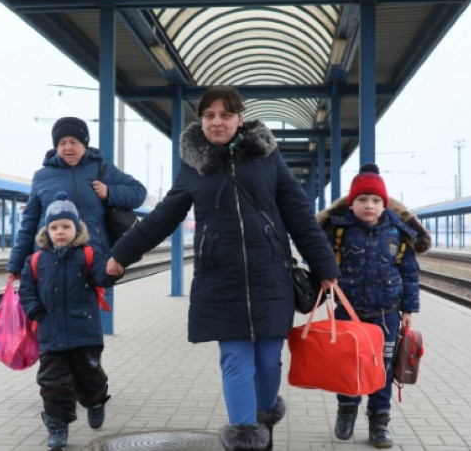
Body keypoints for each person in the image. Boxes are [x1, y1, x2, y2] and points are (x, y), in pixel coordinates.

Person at [106, 86, 340, 451]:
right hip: (221, 279)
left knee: (268, 360)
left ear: (239, 119)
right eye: (210, 115)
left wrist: (324, 265)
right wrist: (121, 253)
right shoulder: (193, 166)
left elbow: (298, 214)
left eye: (225, 115)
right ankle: (246, 436)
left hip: (270, 276)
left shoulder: (267, 158)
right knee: (235, 358)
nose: (217, 121)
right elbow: (162, 218)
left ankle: (264, 420)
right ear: (201, 120)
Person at [315, 162, 431, 449]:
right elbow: (319, 258)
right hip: (348, 312)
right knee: (348, 365)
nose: (369, 205)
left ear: (385, 204)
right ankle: (347, 411)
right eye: (362, 200)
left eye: (376, 200)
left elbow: (410, 273)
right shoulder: (340, 231)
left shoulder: (397, 233)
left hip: (387, 314)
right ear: (351, 203)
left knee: (383, 368)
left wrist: (408, 310)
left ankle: (379, 422)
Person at [14, 191, 123, 450]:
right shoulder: (35, 260)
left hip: (84, 332)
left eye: (66, 226)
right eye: (54, 227)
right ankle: (57, 426)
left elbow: (102, 277)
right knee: (53, 383)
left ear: (77, 228)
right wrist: (35, 311)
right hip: (50, 334)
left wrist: (112, 271)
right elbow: (26, 291)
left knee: (90, 376)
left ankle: (95, 402)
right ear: (47, 231)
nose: (60, 231)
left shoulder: (88, 254)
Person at [6, 116, 147, 276]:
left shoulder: (102, 170)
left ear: (84, 144)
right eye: (62, 143)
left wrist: (109, 192)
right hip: (49, 263)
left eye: (73, 142)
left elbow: (139, 192)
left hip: (93, 262)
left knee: (95, 302)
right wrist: (15, 264)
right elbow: (28, 225)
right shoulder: (42, 177)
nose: (68, 148)